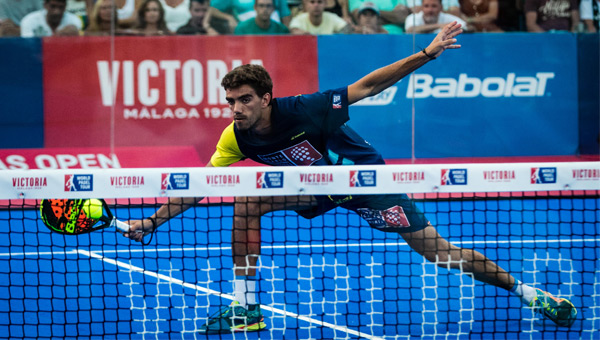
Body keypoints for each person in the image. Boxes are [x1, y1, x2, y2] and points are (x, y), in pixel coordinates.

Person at [123, 21, 578, 334]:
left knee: (439, 253)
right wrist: (152, 221)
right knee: (246, 201)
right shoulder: (235, 139)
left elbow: (369, 86)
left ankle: (527, 292)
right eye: (230, 101)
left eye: (244, 99)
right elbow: (201, 186)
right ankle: (246, 307)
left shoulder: (306, 108)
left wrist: (426, 53)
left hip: (363, 183)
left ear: (266, 97)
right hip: (313, 189)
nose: (236, 109)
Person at [209, 0, 291, 32]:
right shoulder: (241, 28)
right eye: (261, 6)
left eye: (268, 6)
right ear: (255, 7)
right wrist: (228, 17)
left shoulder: (281, 29)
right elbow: (210, 8)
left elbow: (285, 15)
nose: (264, 9)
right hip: (246, 33)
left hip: (274, 33)